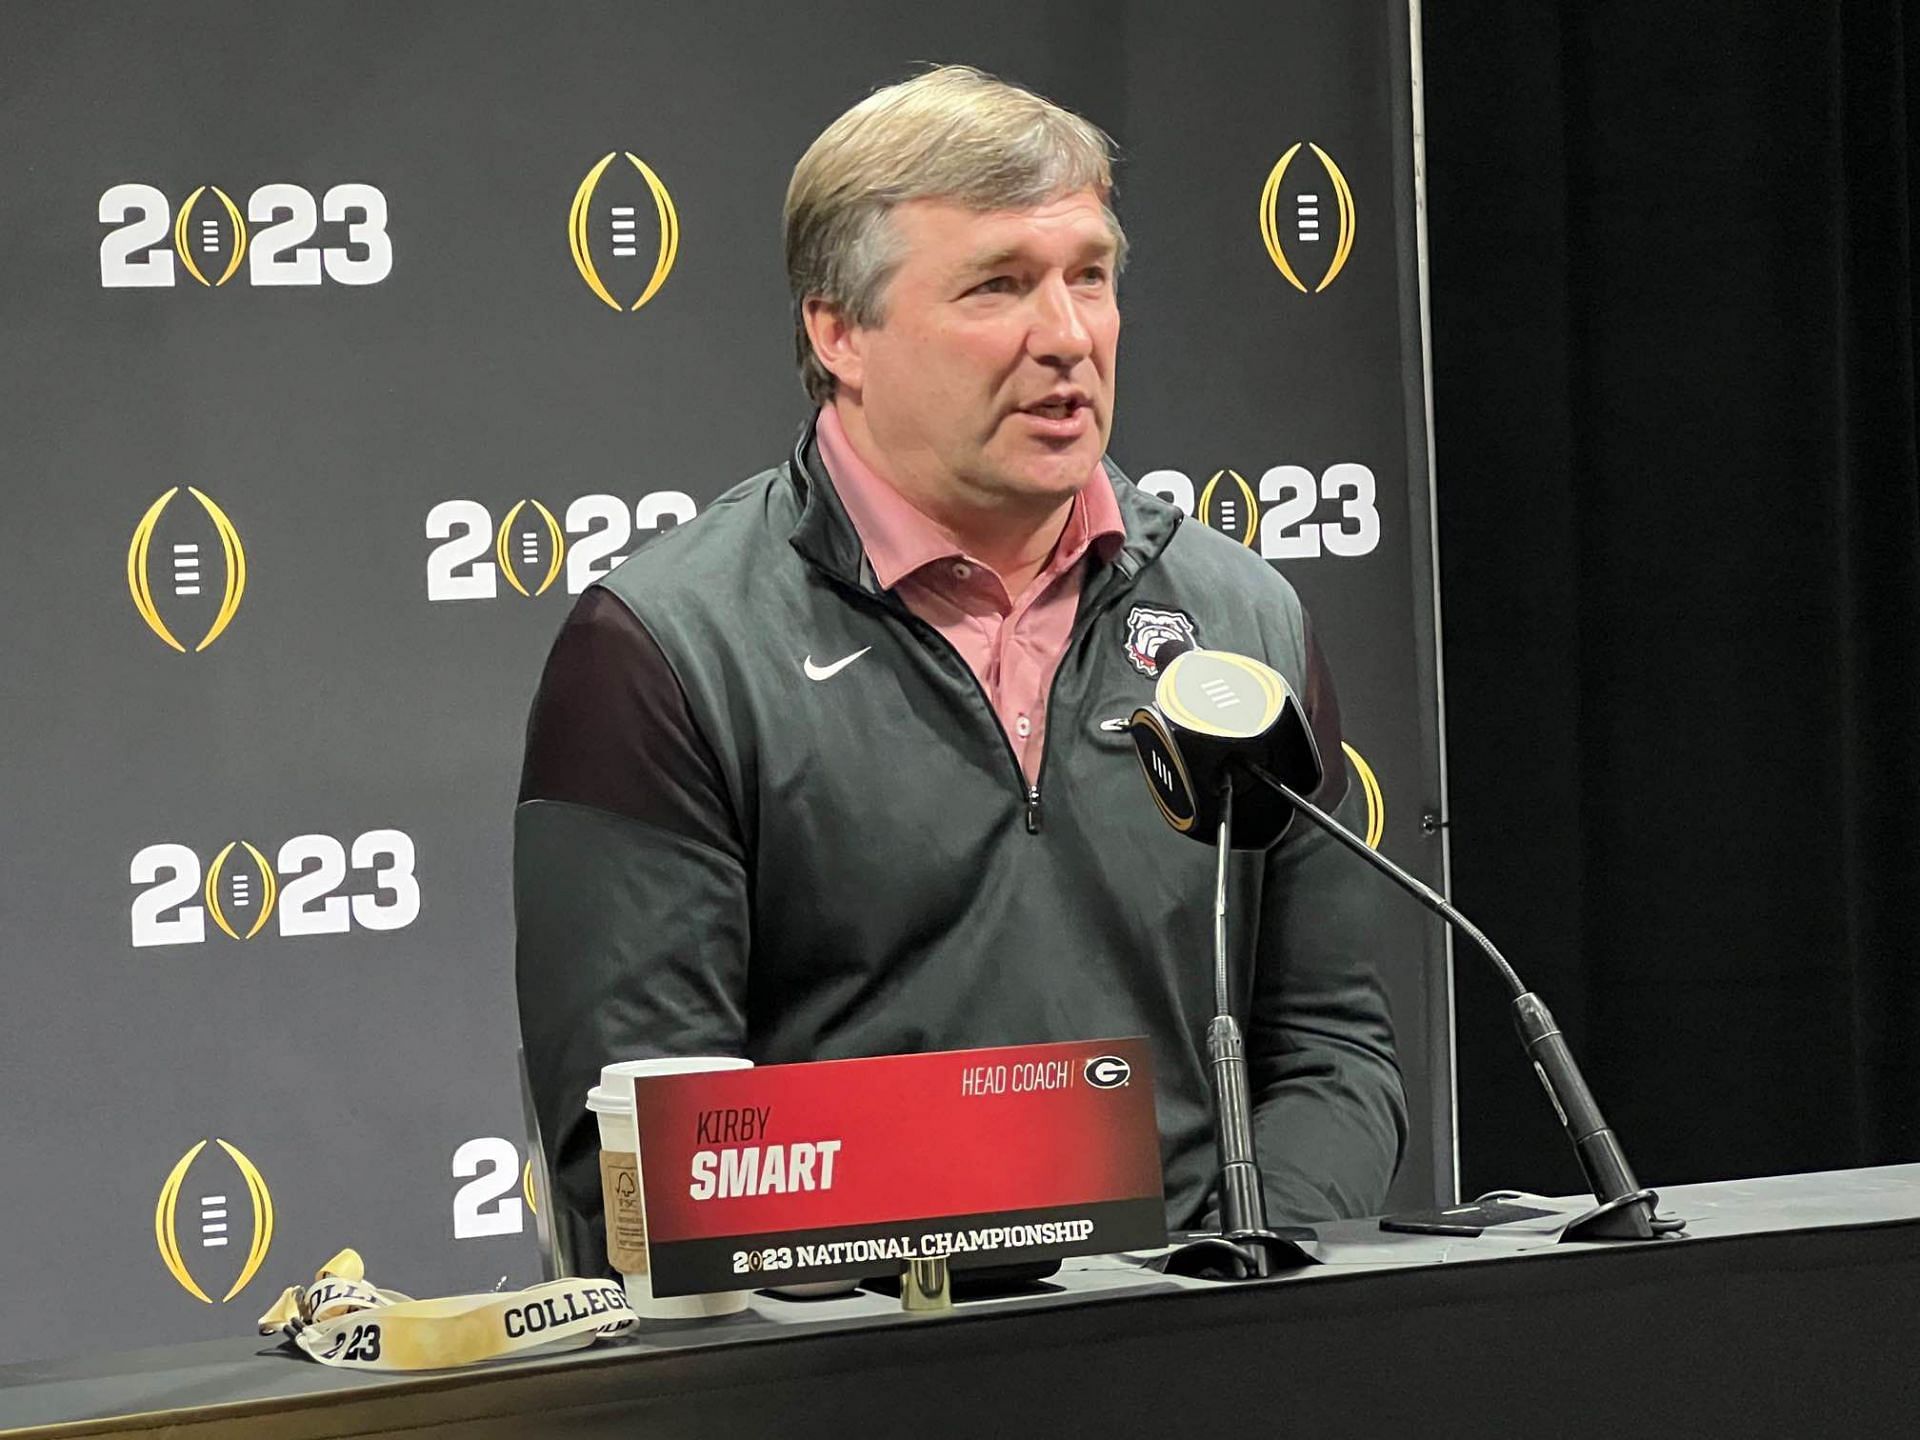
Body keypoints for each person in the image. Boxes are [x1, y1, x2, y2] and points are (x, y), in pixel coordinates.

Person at [516, 65, 1405, 1269]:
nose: (1068, 337)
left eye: (1089, 276)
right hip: (857, 1369)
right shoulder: (663, 650)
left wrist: (1233, 1286)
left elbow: (1332, 1046)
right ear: (840, 331)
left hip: (1199, 1339)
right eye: (998, 286)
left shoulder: (1243, 619)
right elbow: (636, 1139)